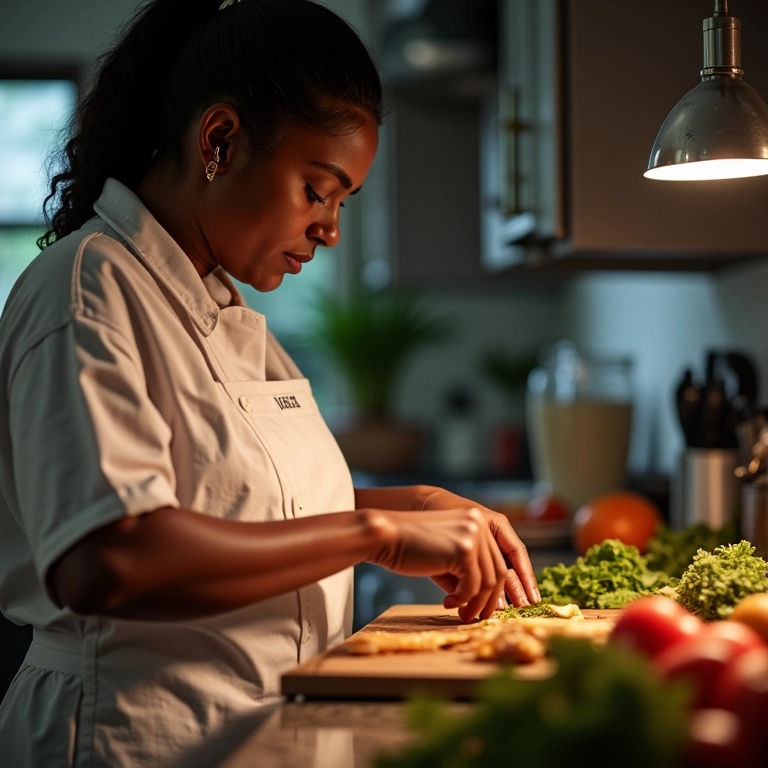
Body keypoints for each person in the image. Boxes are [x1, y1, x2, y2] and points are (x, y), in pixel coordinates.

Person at [0, 0, 539, 765]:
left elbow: (235, 503)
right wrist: (376, 535)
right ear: (219, 140)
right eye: (318, 190)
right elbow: (108, 557)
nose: (331, 229)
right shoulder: (90, 289)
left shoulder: (226, 311)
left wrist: (406, 504)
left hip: (256, 732)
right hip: (134, 737)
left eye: (344, 201)